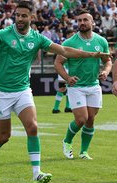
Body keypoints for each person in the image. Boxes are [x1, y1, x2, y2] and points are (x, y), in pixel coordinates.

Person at [0, 1, 110, 183]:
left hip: (23, 90)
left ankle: (37, 173)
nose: (19, 19)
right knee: (3, 136)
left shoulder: (37, 38)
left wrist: (92, 55)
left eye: (23, 15)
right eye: (17, 15)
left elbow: (64, 50)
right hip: (1, 93)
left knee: (33, 127)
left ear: (31, 17)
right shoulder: (5, 34)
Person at [54, 9, 112, 160]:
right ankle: (67, 141)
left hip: (94, 86)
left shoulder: (101, 41)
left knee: (91, 119)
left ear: (92, 23)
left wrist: (105, 72)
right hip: (77, 87)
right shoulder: (70, 42)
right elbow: (58, 63)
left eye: (85, 20)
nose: (82, 23)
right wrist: (67, 78)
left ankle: (84, 152)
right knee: (81, 119)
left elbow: (108, 61)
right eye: (79, 20)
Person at [52, 30, 76, 114]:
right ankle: (55, 108)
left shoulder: (73, 44)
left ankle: (68, 107)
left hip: (71, 68)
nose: (73, 36)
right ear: (68, 35)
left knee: (69, 87)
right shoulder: (64, 43)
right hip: (64, 68)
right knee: (62, 88)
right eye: (72, 34)